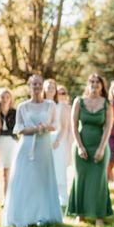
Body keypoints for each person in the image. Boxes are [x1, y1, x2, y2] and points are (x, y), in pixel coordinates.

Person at [1, 75, 63, 227]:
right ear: (29, 86)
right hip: (26, 147)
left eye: (39, 84)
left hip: (44, 147)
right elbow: (19, 128)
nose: (37, 87)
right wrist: (35, 129)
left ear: (43, 86)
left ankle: (43, 215)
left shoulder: (50, 105)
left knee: (42, 181)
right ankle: (24, 215)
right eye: (34, 84)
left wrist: (45, 128)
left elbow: (55, 124)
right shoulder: (23, 106)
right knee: (26, 181)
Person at [66, 74, 114, 227]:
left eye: (97, 82)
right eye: (91, 82)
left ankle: (99, 216)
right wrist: (80, 146)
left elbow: (108, 127)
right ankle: (80, 215)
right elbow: (73, 126)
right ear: (88, 84)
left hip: (100, 144)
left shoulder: (106, 103)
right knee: (81, 179)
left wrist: (101, 148)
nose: (94, 84)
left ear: (102, 86)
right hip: (82, 144)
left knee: (99, 180)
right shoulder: (78, 102)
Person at [44, 79, 71, 207]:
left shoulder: (61, 106)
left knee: (59, 170)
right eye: (48, 87)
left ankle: (63, 198)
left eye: (53, 87)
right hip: (42, 140)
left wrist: (58, 141)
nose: (50, 89)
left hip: (57, 141)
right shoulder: (41, 104)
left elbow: (65, 126)